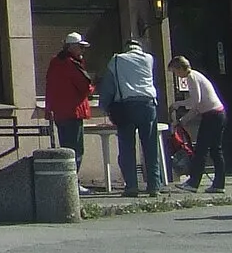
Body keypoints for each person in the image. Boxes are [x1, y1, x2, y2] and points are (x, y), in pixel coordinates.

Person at [100, 37, 163, 196]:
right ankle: (154, 186)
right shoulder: (149, 59)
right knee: (150, 147)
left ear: (126, 49)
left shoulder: (116, 60)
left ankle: (132, 186)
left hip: (126, 107)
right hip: (148, 105)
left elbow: (108, 86)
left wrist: (104, 106)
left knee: (127, 148)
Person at [169, 55, 227, 192]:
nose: (177, 76)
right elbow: (196, 102)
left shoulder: (191, 77)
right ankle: (219, 184)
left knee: (201, 150)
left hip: (211, 115)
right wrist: (181, 108)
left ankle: (193, 183)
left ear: (180, 68)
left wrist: (182, 115)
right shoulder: (195, 75)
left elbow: (196, 103)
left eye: (175, 72)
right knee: (215, 150)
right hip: (218, 114)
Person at [42, 32, 94, 175]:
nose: (82, 51)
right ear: (72, 47)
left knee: (65, 149)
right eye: (80, 47)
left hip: (59, 113)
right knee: (76, 150)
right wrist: (92, 88)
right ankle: (73, 181)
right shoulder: (72, 64)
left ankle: (66, 180)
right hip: (73, 112)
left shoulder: (55, 62)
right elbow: (85, 87)